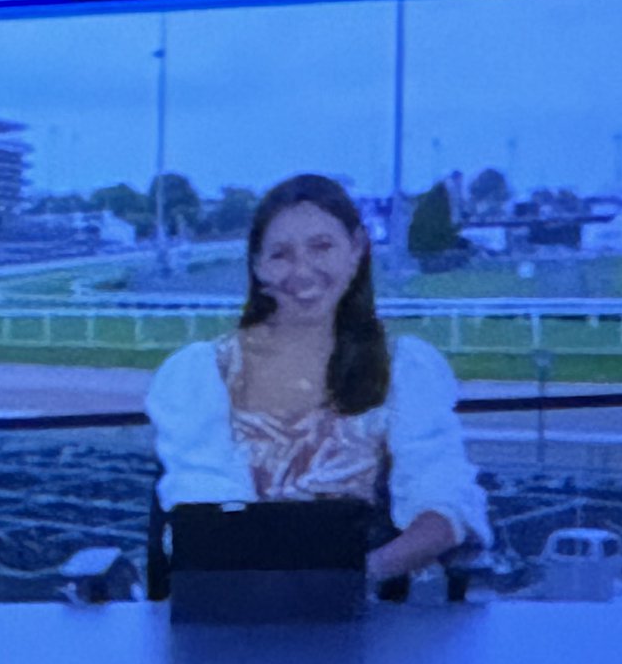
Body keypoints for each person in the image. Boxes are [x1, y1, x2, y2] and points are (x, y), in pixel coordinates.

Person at [146, 174, 490, 590]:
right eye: (280, 255)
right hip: (238, 608)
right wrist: (287, 591)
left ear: (357, 249)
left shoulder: (405, 368)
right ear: (257, 265)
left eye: (322, 247)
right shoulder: (201, 374)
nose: (302, 271)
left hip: (373, 617)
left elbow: (442, 500)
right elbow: (207, 516)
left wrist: (356, 578)